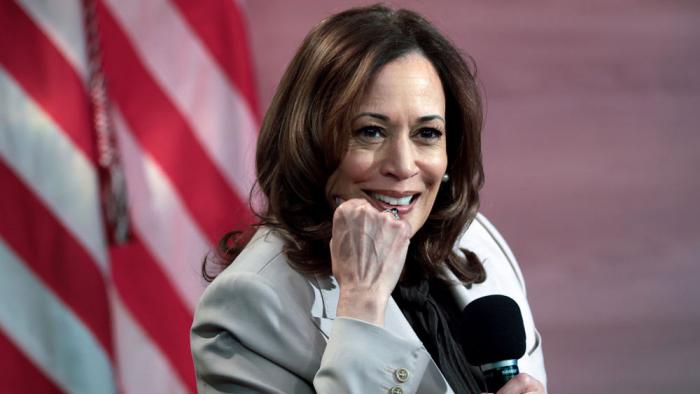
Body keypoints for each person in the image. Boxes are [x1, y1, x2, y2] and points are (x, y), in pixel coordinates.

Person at [191, 5, 546, 394]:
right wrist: (361, 304)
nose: (402, 165)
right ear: (310, 144)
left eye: (427, 133)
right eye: (371, 131)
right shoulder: (251, 304)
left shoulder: (478, 240)